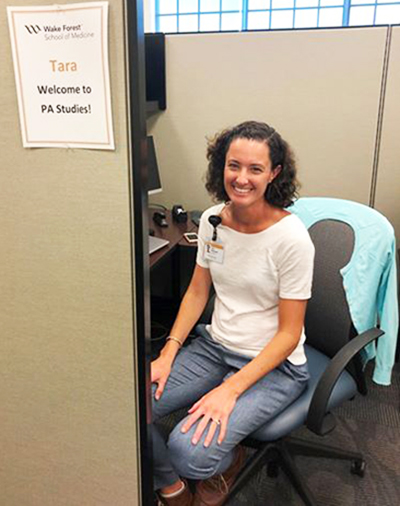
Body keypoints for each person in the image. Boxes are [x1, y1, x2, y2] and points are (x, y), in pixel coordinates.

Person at [151, 120, 315, 506]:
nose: (241, 178)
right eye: (233, 165)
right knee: (126, 404)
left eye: (255, 169)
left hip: (274, 365)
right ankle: (172, 489)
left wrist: (230, 389)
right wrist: (168, 353)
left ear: (274, 173)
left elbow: (289, 335)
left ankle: (229, 460)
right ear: (220, 167)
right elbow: (196, 291)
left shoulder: (291, 240)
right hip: (215, 347)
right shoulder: (212, 220)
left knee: (186, 451)